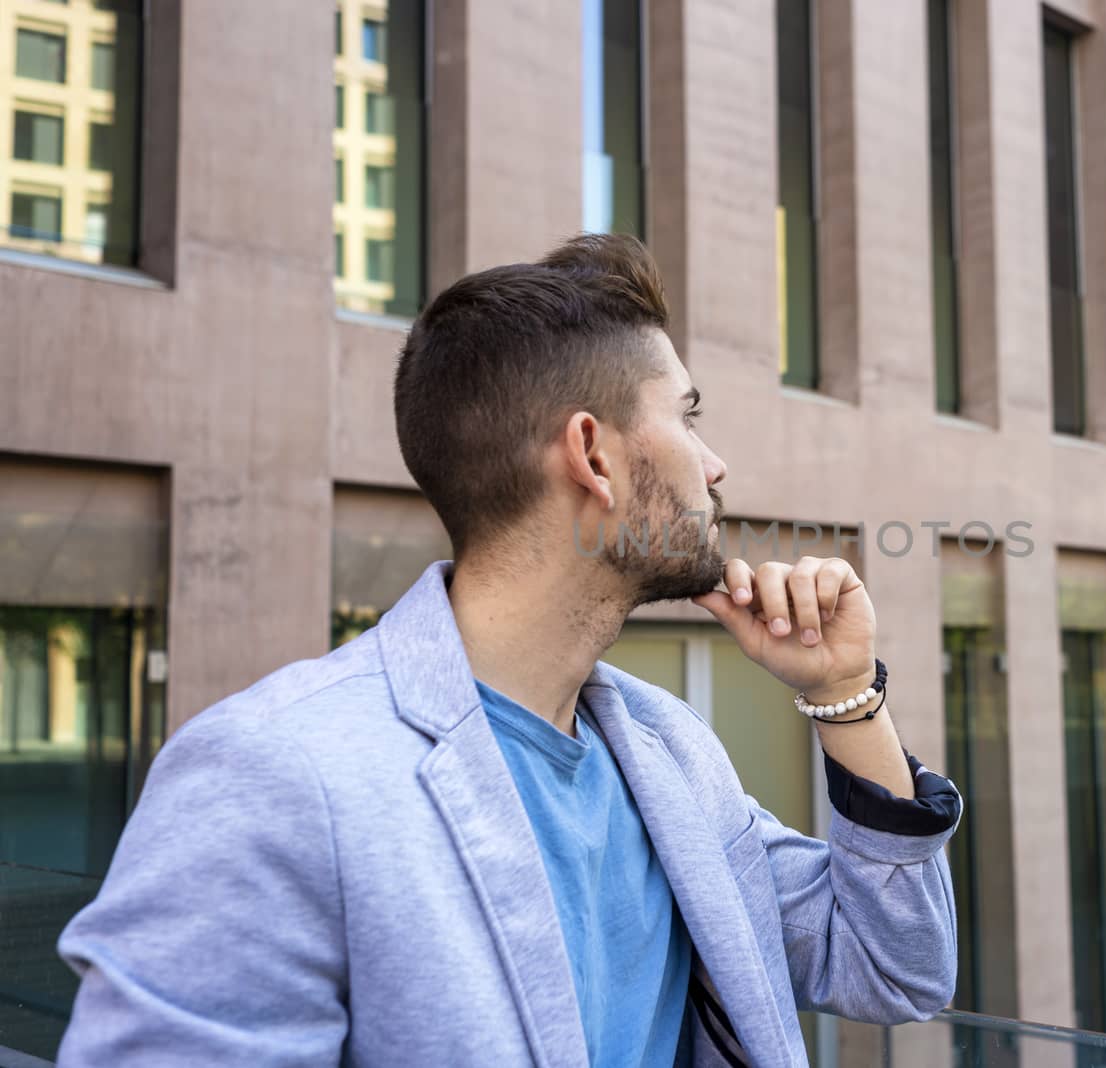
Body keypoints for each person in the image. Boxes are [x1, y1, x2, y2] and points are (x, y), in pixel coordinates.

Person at [54, 234, 962, 1067]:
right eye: (687, 416)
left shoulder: (668, 751)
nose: (713, 465)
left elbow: (891, 969)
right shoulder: (274, 776)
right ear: (593, 456)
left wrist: (847, 693)